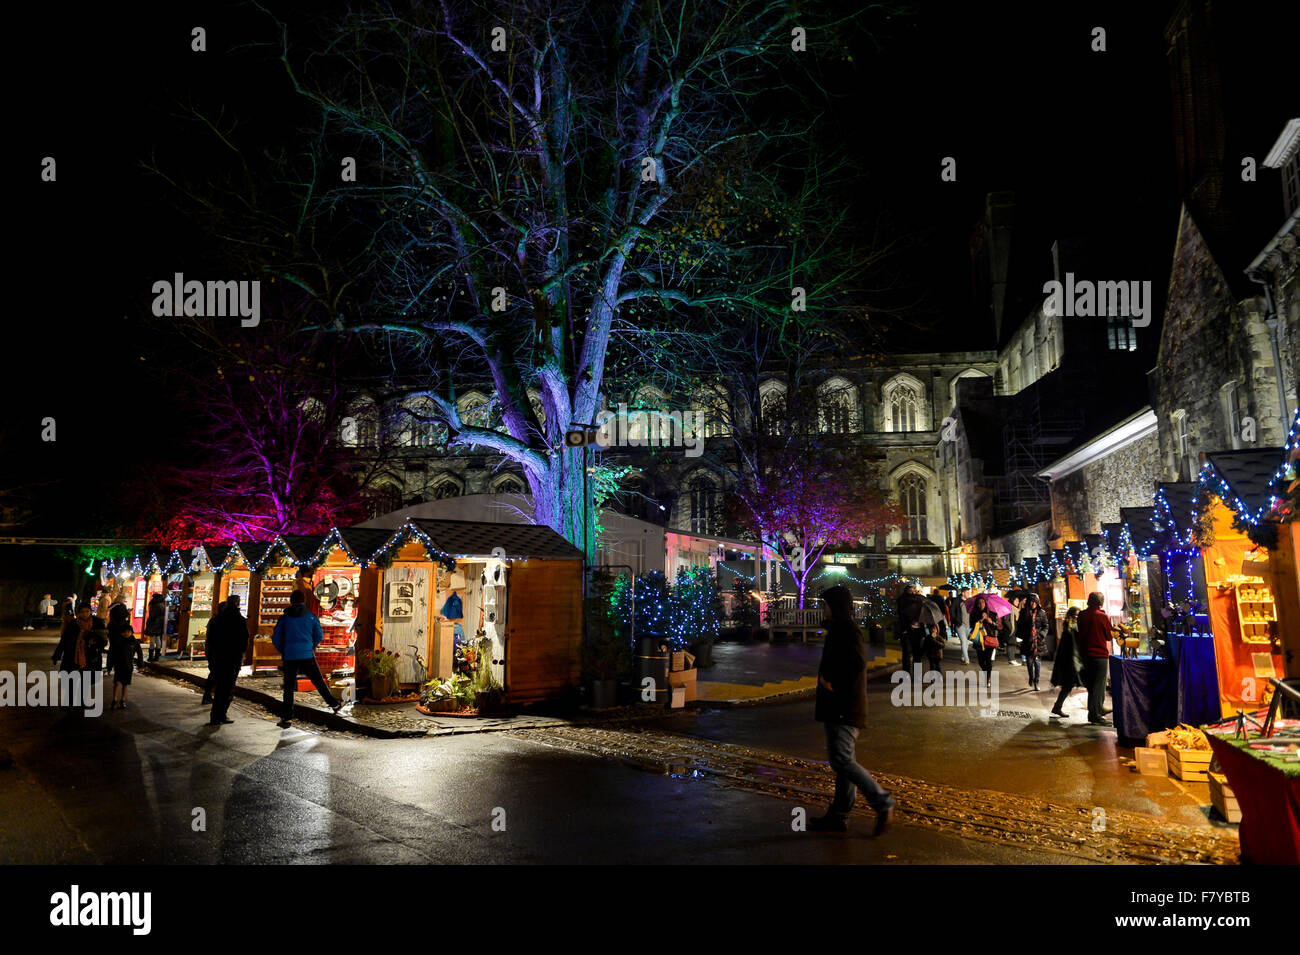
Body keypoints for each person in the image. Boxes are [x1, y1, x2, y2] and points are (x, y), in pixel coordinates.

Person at [809, 584, 894, 835]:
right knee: (843, 762)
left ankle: (882, 802)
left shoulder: (846, 630)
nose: (822, 608)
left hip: (845, 706)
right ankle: (839, 814)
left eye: (825, 604)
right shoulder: (838, 629)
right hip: (840, 705)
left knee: (842, 760)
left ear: (835, 607)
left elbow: (857, 664)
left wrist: (831, 680)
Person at [272, 589, 343, 727]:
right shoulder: (311, 616)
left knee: (288, 687)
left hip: (290, 656)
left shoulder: (285, 618)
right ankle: (334, 704)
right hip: (306, 655)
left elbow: (276, 638)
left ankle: (287, 718)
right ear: (303, 600)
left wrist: (284, 650)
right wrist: (310, 646)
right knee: (318, 682)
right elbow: (319, 636)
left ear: (291, 601)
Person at [206, 596, 250, 726]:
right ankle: (222, 713)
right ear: (237, 604)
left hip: (219, 656)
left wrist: (212, 654)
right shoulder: (240, 620)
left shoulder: (216, 619)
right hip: (233, 657)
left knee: (220, 686)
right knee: (228, 687)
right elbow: (244, 639)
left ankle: (215, 716)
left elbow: (211, 638)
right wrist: (241, 654)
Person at [52, 604, 103, 713]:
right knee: (71, 680)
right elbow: (64, 641)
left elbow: (104, 640)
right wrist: (57, 655)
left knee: (85, 680)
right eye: (83, 611)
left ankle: (82, 702)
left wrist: (95, 641)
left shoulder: (96, 623)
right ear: (78, 613)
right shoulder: (73, 624)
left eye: (87, 611)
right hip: (73, 656)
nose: (85, 614)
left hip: (90, 657)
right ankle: (68, 702)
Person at [1077, 592, 1114, 725]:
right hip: (1099, 655)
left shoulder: (1081, 615)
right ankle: (1096, 715)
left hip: (1086, 655)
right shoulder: (1102, 616)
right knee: (1099, 686)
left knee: (1092, 686)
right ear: (1101, 602)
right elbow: (1109, 636)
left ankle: (1095, 711)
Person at [1049, 607, 1084, 718]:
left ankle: (1057, 707)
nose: (1077, 617)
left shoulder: (1067, 628)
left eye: (1079, 615)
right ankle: (1057, 707)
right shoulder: (1073, 628)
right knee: (1068, 686)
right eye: (1076, 615)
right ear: (1071, 616)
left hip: (1068, 662)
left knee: (1067, 686)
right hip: (1071, 663)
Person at [107, 603, 143, 709]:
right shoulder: (123, 637)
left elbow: (139, 652)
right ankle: (116, 699)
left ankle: (121, 700)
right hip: (121, 663)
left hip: (125, 664)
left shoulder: (132, 641)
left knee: (123, 683)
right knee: (119, 683)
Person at [1016, 595, 1049, 690]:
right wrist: (1023, 635)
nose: (1033, 603)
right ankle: (1031, 676)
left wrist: (1041, 635)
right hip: (1027, 641)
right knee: (1029, 662)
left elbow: (1045, 626)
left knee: (1037, 662)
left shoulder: (1041, 613)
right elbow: (1020, 626)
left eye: (1035, 602)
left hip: (1038, 641)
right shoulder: (1023, 612)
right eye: (1031, 601)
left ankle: (1036, 681)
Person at [968, 594, 999, 688]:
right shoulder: (974, 614)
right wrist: (981, 619)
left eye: (982, 602)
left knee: (988, 660)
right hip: (979, 640)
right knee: (981, 661)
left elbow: (997, 626)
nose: (980, 604)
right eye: (978, 603)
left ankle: (987, 679)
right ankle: (986, 674)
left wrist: (990, 622)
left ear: (985, 603)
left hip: (989, 639)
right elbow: (972, 626)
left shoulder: (992, 613)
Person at [895, 584, 925, 675]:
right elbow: (901, 615)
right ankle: (907, 674)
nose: (913, 593)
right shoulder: (905, 600)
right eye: (911, 591)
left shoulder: (919, 600)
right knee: (908, 654)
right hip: (907, 630)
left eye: (914, 591)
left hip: (916, 630)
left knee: (915, 654)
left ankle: (916, 675)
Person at [201, 600, 227, 705]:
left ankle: (208, 694)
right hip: (217, 651)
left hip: (214, 651)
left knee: (214, 673)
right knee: (215, 674)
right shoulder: (219, 620)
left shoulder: (214, 619)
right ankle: (210, 695)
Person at [144, 593, 166, 662]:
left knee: (152, 641)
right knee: (158, 639)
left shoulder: (154, 606)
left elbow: (151, 616)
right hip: (160, 625)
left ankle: (151, 657)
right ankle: (157, 656)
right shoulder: (163, 606)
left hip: (153, 624)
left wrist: (148, 623)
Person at [952, 587, 971, 665]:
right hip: (960, 625)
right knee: (964, 641)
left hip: (968, 625)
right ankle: (966, 659)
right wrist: (956, 620)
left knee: (966, 642)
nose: (969, 594)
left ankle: (963, 656)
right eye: (967, 593)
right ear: (963, 593)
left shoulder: (970, 601)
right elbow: (952, 610)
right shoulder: (957, 601)